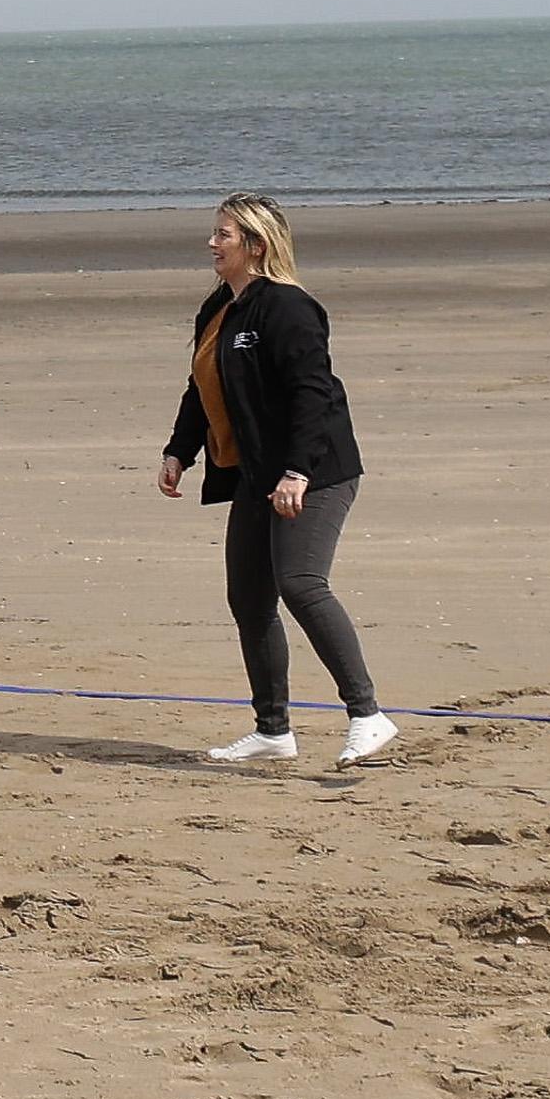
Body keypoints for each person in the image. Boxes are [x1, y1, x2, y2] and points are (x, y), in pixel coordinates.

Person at [159, 193, 395, 767]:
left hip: (315, 471)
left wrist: (298, 472)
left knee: (301, 582)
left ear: (255, 245)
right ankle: (273, 730)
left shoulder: (288, 307)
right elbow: (202, 386)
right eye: (213, 234)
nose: (211, 244)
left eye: (223, 236)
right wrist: (179, 452)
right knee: (250, 599)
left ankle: (368, 715)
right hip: (258, 474)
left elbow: (313, 393)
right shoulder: (220, 307)